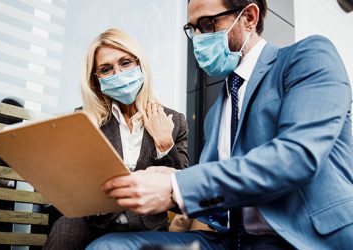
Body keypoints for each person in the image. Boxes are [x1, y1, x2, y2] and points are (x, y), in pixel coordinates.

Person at [86, 0, 353, 249]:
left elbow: (296, 157)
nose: (199, 39)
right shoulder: (216, 113)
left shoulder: (306, 58)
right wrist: (166, 179)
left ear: (249, 16)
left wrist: (177, 185)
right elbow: (212, 195)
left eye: (207, 24)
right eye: (193, 29)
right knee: (108, 246)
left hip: (303, 237)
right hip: (232, 240)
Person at [43, 28, 189, 250]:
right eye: (106, 69)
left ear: (139, 64)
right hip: (93, 221)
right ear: (96, 78)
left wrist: (165, 145)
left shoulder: (174, 121)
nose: (118, 73)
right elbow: (72, 183)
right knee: (64, 231)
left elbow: (180, 198)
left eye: (125, 63)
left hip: (146, 227)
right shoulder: (85, 119)